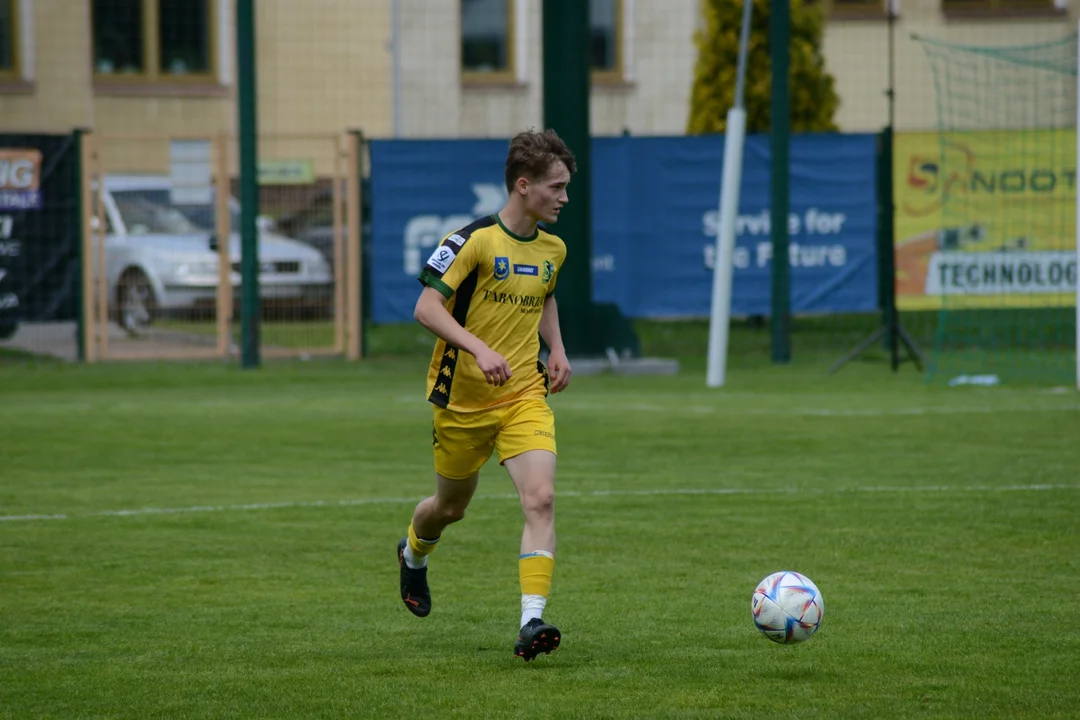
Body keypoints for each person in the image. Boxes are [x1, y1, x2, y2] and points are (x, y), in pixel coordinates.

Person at [397, 128, 576, 662]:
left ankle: (531, 622)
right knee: (449, 508)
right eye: (557, 187)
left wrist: (559, 349)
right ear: (524, 186)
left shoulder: (554, 247)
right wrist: (479, 349)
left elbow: (544, 294)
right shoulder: (472, 240)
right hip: (461, 401)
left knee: (540, 497)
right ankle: (412, 552)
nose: (565, 198)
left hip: (523, 393)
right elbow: (426, 308)